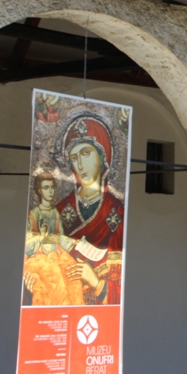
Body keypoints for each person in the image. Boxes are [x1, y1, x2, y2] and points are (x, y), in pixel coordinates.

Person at [54, 115, 125, 305]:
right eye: (74, 158)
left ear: (103, 158)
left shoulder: (117, 213)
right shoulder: (60, 210)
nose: (80, 165)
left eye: (86, 154)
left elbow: (119, 285)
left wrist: (95, 280)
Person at [22, 172, 84, 306]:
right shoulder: (34, 214)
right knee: (54, 276)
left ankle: (75, 310)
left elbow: (59, 237)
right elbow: (26, 243)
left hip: (56, 254)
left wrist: (72, 242)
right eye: (46, 188)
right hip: (37, 258)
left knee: (72, 273)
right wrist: (41, 236)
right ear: (39, 191)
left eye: (52, 187)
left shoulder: (55, 212)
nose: (50, 191)